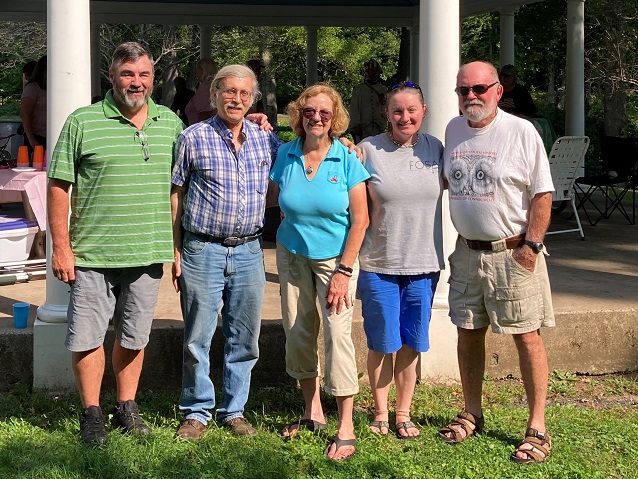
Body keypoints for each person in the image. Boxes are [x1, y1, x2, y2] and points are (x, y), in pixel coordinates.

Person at [47, 42, 183, 445]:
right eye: (127, 74)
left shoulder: (171, 123)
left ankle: (126, 406)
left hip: (147, 251)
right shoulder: (82, 122)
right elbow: (58, 186)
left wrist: (258, 122)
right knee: (88, 336)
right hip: (92, 253)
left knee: (134, 335)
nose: (135, 82)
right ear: (112, 77)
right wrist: (61, 246)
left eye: (143, 75)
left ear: (153, 79)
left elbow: (192, 174)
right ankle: (92, 413)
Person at [438, 61, 554, 465]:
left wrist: (532, 247)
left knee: (526, 336)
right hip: (467, 252)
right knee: (468, 331)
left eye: (479, 89)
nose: (471, 96)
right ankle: (472, 412)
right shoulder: (452, 131)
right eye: (463, 90)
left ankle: (537, 427)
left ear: (498, 91)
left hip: (514, 253)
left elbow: (542, 193)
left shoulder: (521, 132)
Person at [171, 64, 282, 441]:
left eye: (244, 93)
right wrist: (174, 249)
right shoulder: (193, 137)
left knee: (244, 336)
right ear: (215, 94)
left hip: (250, 250)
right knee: (197, 336)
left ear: (253, 99)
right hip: (202, 248)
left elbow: (306, 154)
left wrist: (346, 143)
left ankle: (234, 409)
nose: (236, 99)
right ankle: (197, 410)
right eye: (229, 91)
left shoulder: (267, 140)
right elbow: (177, 195)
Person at [270, 83, 369, 461]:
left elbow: (360, 220)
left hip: (336, 261)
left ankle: (346, 423)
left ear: (335, 118)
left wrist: (345, 270)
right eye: (309, 111)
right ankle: (312, 412)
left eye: (324, 113)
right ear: (299, 114)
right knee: (298, 330)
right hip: (292, 255)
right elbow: (278, 201)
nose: (316, 118)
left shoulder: (346, 159)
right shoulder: (287, 153)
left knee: (338, 335)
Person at [357, 80, 444, 439]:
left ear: (423, 111)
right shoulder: (366, 150)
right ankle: (380, 412)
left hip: (424, 264)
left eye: (411, 110)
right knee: (382, 342)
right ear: (386, 113)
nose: (404, 116)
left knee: (411, 342)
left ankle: (403, 412)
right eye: (397, 110)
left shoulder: (437, 149)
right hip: (379, 264)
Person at [348, 59, 386, 143]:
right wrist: (356, 125)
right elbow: (354, 108)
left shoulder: (383, 90)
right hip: (363, 130)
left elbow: (386, 111)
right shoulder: (359, 89)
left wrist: (383, 103)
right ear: (367, 72)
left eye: (376, 71)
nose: (374, 73)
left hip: (378, 129)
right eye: (372, 70)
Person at [21, 55, 47, 156]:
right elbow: (25, 114)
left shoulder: (54, 89)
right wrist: (31, 140)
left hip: (52, 134)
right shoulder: (32, 88)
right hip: (36, 136)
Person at [184, 58, 217, 125]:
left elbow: (204, 113)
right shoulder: (212, 85)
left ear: (204, 70)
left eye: (198, 68)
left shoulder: (206, 86)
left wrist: (198, 132)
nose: (196, 71)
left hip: (202, 131)